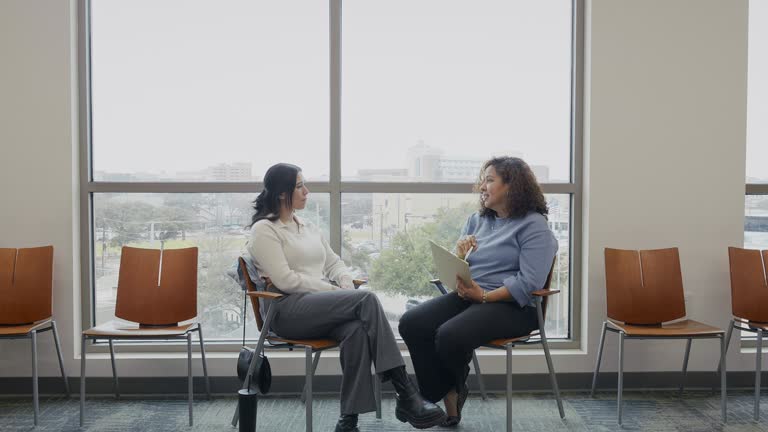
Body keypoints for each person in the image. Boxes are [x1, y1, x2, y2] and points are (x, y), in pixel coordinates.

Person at [247, 163, 446, 432]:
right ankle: (406, 393)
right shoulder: (264, 230)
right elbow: (285, 281)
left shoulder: (306, 226)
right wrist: (336, 291)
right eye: (299, 186)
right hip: (285, 311)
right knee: (366, 300)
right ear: (282, 193)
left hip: (316, 308)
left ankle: (348, 421)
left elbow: (334, 263)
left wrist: (342, 281)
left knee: (356, 330)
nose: (307, 191)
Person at [398, 156, 558, 427]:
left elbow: (529, 282)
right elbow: (460, 273)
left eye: (489, 180)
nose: (482, 187)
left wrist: (483, 296)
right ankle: (448, 390)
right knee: (412, 323)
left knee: (450, 335)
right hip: (472, 298)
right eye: (482, 180)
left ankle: (437, 396)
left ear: (512, 186)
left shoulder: (534, 226)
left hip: (515, 307)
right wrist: (460, 255)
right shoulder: (477, 220)